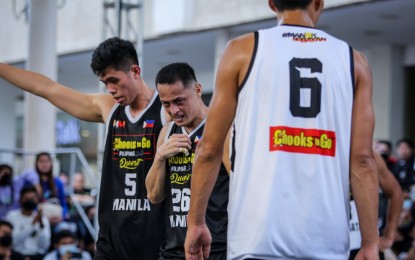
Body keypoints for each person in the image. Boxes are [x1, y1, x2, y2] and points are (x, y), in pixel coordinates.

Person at [184, 0, 379, 259]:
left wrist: (196, 222)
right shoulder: (355, 62)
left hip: (255, 240)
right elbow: (363, 161)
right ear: (319, 3)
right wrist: (370, 244)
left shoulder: (241, 51)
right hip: (326, 242)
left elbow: (209, 149)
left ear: (272, 4)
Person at [0, 37, 167, 259]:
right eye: (105, 83)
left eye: (114, 80)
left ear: (135, 71)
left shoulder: (167, 111)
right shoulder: (109, 108)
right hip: (111, 243)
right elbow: (46, 88)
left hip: (154, 241)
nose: (110, 90)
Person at [145, 63, 229, 259]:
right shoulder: (167, 132)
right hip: (173, 248)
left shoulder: (222, 129)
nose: (174, 110)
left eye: (179, 101)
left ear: (198, 90)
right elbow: (153, 196)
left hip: (213, 247)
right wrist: (159, 157)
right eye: (166, 104)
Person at [349, 152, 403, 259]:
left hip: (364, 246)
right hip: (323, 245)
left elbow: (396, 193)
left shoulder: (369, 154)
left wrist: (389, 236)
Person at [5, 186, 51, 260]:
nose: (29, 201)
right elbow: (13, 241)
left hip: (36, 256)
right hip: (16, 256)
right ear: (21, 199)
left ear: (37, 200)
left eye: (32, 199)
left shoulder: (43, 219)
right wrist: (32, 224)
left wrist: (41, 226)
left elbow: (44, 246)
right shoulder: (11, 216)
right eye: (26, 199)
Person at [22, 152, 68, 225]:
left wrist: (62, 217)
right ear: (36, 163)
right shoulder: (30, 182)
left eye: (47, 161)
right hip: (35, 219)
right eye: (41, 161)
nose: (44, 164)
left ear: (51, 163)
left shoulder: (58, 182)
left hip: (56, 218)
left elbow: (63, 203)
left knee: (64, 228)